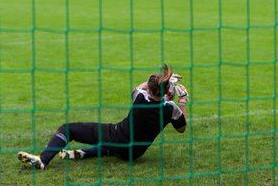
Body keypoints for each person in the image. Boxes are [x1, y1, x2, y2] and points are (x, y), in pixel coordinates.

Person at [17, 64, 188, 169]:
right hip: (135, 153)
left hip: (117, 138)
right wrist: (182, 100)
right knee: (110, 148)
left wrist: (166, 82)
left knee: (68, 129)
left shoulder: (139, 97)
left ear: (149, 89)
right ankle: (83, 153)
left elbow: (145, 86)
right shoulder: (171, 109)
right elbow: (181, 128)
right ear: (166, 91)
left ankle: (43, 160)